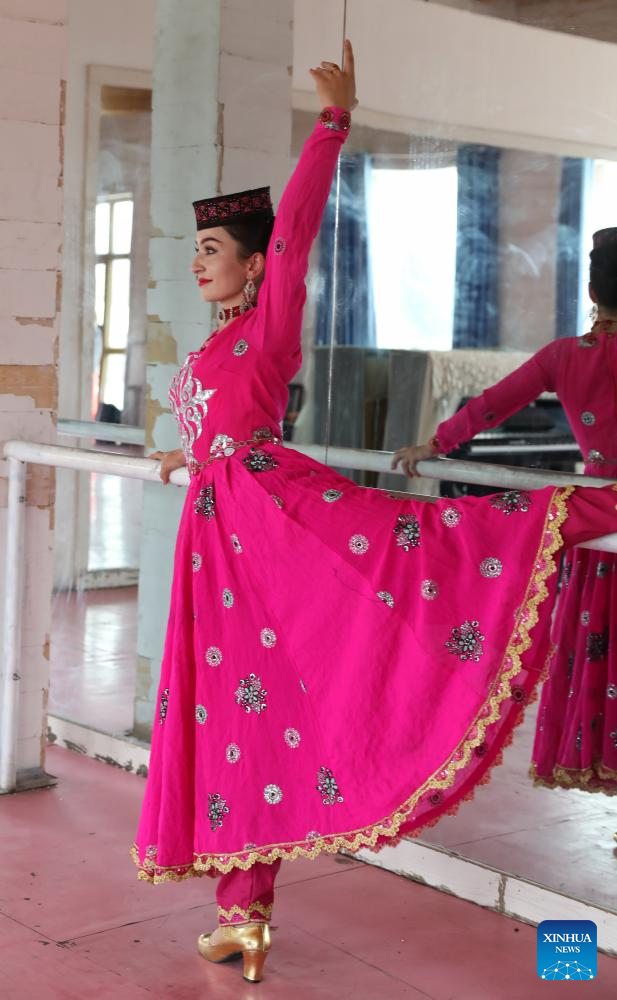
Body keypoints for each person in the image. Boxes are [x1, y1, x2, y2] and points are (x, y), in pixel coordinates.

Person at [135, 43, 617, 984]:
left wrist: (331, 124)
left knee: (430, 552)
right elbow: (218, 426)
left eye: (211, 250)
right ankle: (243, 913)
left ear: (254, 266)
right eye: (195, 250)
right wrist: (187, 454)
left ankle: (577, 509)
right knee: (240, 713)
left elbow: (295, 236)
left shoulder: (268, 325)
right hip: (217, 540)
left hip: (271, 522)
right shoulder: (215, 347)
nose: (197, 262)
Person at [393, 229, 617, 801]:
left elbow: (492, 404)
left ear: (593, 291)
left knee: (604, 654)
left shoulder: (566, 356)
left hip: (597, 521)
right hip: (602, 517)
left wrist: (436, 445)